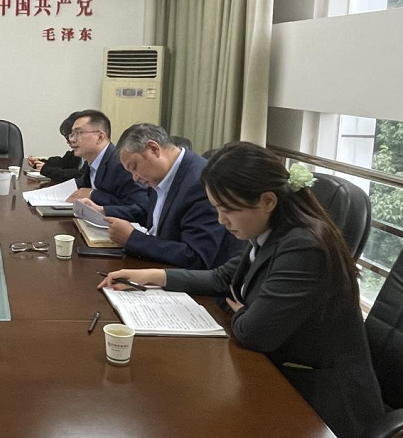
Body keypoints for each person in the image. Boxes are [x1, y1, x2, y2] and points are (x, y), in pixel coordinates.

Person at [97, 142, 383, 438]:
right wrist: (150, 276)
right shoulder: (268, 231)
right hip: (278, 373)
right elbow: (222, 278)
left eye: (228, 210)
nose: (221, 221)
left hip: (318, 403)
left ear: (267, 201)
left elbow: (254, 333)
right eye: (217, 209)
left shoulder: (304, 247)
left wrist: (242, 310)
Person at [77, 123, 238, 268]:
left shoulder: (200, 182)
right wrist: (103, 211)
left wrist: (132, 238)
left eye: (134, 167)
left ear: (153, 149)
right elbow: (148, 213)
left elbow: (196, 257)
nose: (135, 178)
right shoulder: (163, 174)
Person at [64, 110, 149, 223]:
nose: (72, 139)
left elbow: (140, 209)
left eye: (79, 133)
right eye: (72, 134)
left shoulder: (121, 163)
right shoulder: (91, 163)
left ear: (100, 137)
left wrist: (94, 196)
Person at [26, 111, 83, 182]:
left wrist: (47, 170)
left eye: (71, 136)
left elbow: (78, 174)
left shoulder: (91, 156)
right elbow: (62, 163)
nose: (69, 141)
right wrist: (40, 162)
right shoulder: (76, 154)